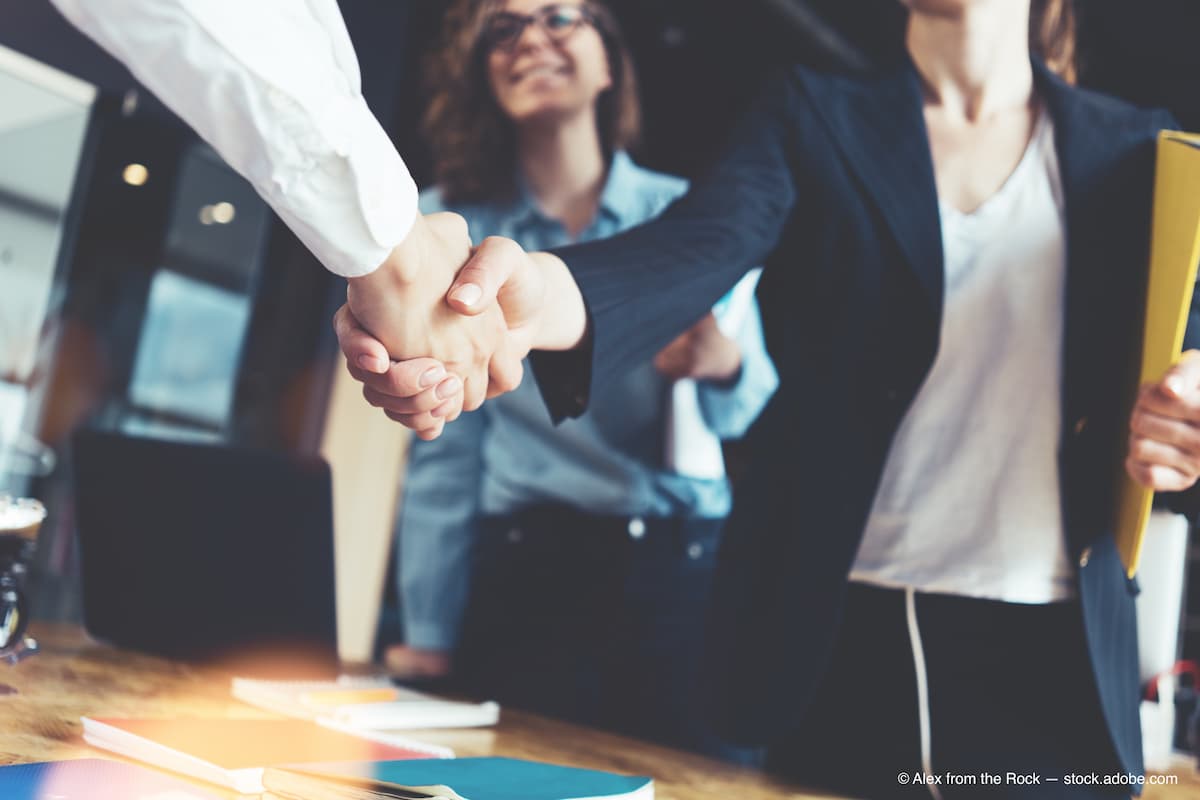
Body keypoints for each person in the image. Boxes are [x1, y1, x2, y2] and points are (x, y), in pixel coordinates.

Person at [337, 0, 1200, 796]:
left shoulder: (1134, 150)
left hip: (1048, 650)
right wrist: (531, 294)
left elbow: (1177, 366)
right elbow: (687, 252)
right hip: (834, 640)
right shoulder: (812, 113)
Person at [386, 0, 776, 761]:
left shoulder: (686, 215)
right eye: (502, 28)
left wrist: (722, 363)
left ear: (609, 62)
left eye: (561, 17)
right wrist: (427, 630)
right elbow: (443, 450)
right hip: (530, 569)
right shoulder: (450, 230)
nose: (530, 36)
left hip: (682, 570)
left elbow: (744, 414)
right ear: (483, 72)